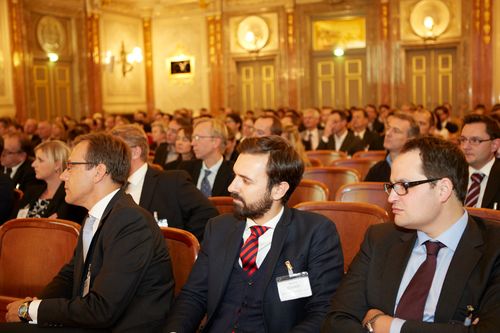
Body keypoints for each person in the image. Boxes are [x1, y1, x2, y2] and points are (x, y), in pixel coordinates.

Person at [164, 136, 344, 333]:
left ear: (278, 190)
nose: (231, 187)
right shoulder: (218, 228)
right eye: (234, 176)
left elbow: (322, 310)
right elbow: (194, 295)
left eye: (245, 181)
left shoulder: (315, 233)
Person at [322, 136, 500, 333]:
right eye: (391, 186)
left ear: (443, 190)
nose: (391, 197)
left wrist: (390, 326)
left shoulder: (494, 248)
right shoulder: (380, 239)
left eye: (403, 186)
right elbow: (336, 321)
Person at [2, 132, 174, 332]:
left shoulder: (131, 222)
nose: (63, 175)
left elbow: (101, 310)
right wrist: (35, 303)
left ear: (99, 171)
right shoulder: (97, 215)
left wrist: (29, 310)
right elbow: (70, 275)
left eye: (70, 166)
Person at [111, 124, 217, 241]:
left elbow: (207, 213)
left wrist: (180, 243)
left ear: (135, 152)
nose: (111, 158)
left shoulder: (172, 182)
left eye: (115, 151)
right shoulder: (111, 186)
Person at [14, 140, 87, 223]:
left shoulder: (70, 198)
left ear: (57, 165)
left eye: (40, 160)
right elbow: (12, 222)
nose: (33, 164)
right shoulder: (31, 191)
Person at [178, 118, 234, 197]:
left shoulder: (233, 173)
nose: (192, 143)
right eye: (193, 138)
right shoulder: (185, 169)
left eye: (197, 137)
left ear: (215, 142)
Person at [459, 114, 500, 209]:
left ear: (494, 145)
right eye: (463, 140)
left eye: (475, 140)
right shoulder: (451, 173)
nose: (465, 146)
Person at [365, 112, 420, 182]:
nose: (387, 133)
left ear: (410, 140)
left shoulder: (419, 170)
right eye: (388, 128)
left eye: (396, 131)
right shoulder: (376, 170)